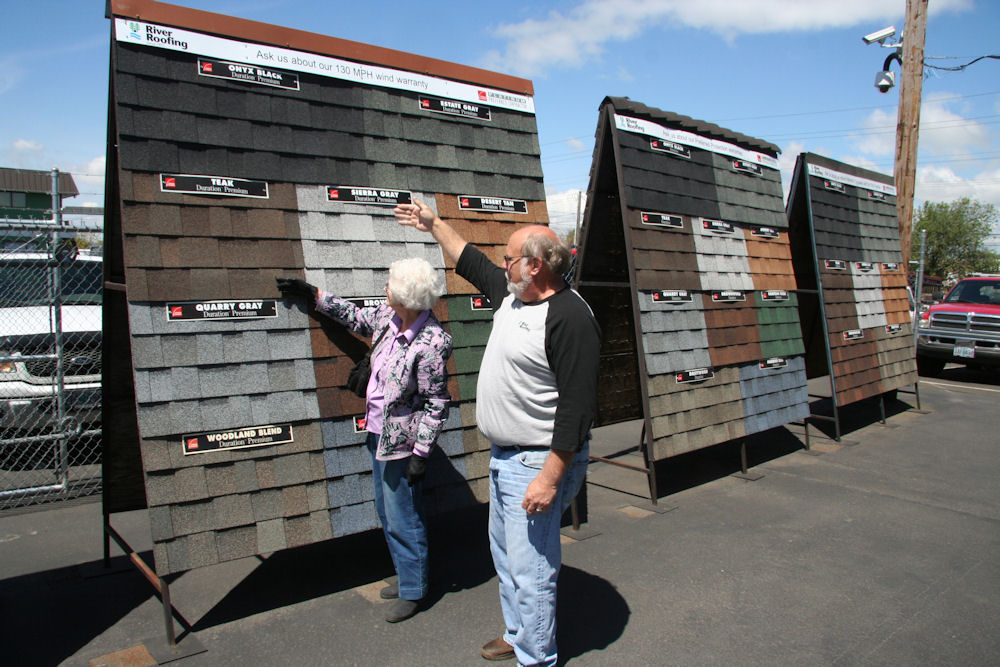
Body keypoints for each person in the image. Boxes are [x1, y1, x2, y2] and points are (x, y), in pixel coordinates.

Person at [394, 200, 601, 666]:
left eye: (510, 258)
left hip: (537, 460)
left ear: (535, 265)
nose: (502, 265)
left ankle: (536, 656)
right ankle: (519, 632)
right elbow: (470, 259)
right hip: (506, 458)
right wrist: (433, 224)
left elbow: (578, 409)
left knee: (531, 571)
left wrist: (549, 478)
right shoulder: (514, 295)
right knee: (508, 560)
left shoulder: (569, 317)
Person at [276, 257, 452, 623]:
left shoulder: (432, 342)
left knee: (403, 515)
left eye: (390, 285)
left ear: (404, 298)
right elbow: (355, 317)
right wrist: (315, 296)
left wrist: (421, 451)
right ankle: (408, 575)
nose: (384, 289)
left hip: (402, 446)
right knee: (387, 511)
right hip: (378, 434)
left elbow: (437, 403)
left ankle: (414, 589)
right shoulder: (389, 321)